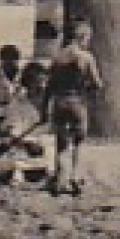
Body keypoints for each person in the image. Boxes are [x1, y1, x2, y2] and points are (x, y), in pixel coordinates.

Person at [41, 20, 103, 196]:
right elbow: (97, 84)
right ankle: (74, 177)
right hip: (77, 103)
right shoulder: (86, 58)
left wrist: (44, 110)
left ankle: (60, 180)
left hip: (59, 102)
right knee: (77, 143)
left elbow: (49, 87)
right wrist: (85, 88)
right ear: (82, 36)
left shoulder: (58, 57)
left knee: (61, 144)